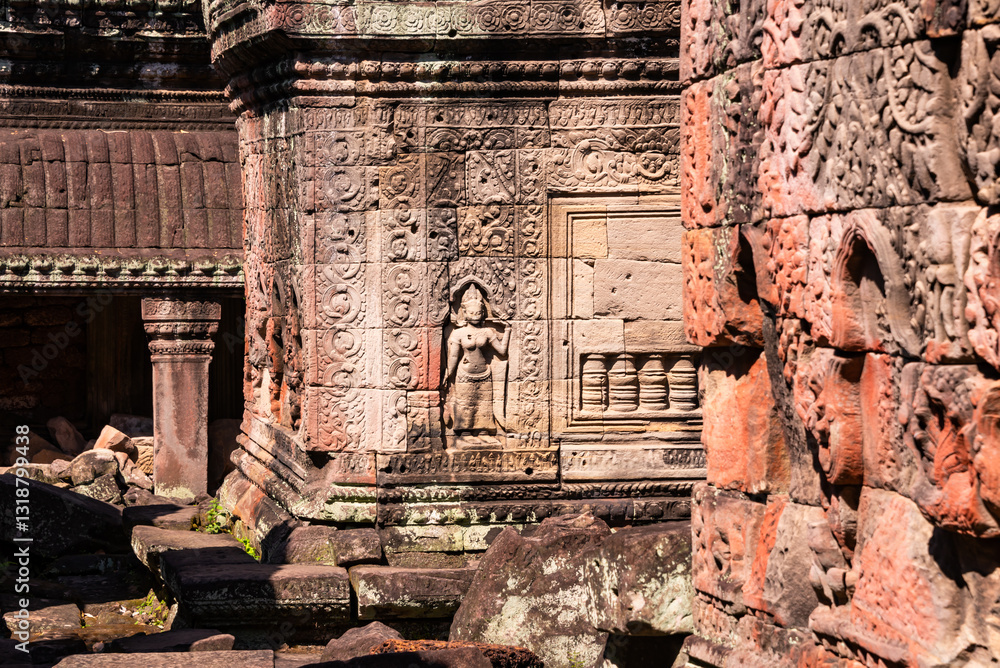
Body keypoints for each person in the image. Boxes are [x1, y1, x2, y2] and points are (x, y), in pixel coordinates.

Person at [444, 285, 510, 435]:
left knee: (483, 405)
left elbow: (502, 351)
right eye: (472, 312)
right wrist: (448, 374)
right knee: (465, 404)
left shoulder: (487, 331)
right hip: (464, 374)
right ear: (465, 313)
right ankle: (464, 431)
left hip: (484, 374)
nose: (476, 315)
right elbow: (453, 356)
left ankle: (484, 430)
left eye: (479, 312)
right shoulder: (459, 333)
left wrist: (507, 330)